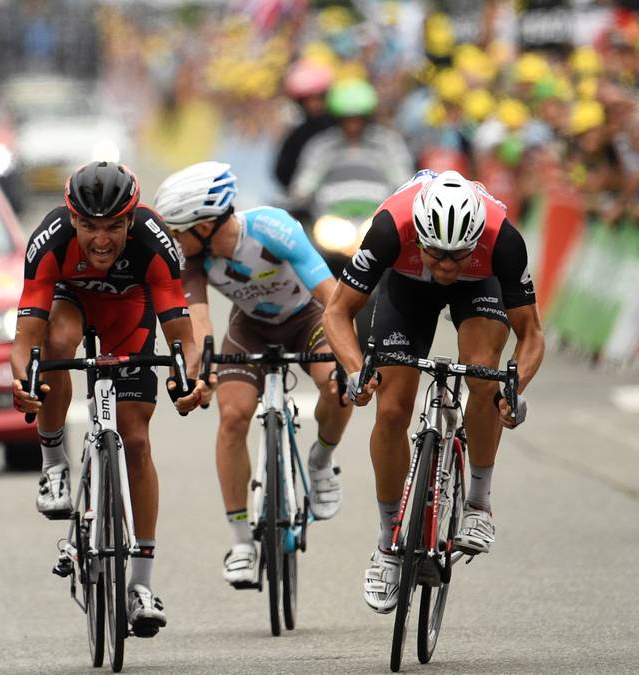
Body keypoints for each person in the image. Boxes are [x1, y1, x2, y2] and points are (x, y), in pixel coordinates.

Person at [321, 169, 544, 614]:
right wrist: (354, 371)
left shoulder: (502, 239)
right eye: (437, 253)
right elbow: (337, 312)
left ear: (476, 240)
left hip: (479, 289)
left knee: (484, 376)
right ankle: (388, 544)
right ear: (418, 235)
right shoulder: (389, 229)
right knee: (391, 410)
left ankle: (478, 502)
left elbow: (532, 334)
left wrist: (513, 387)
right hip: (407, 289)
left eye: (458, 255)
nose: (445, 266)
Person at [11, 161, 210, 637]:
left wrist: (189, 381)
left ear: (131, 220)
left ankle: (141, 585)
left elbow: (183, 339)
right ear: (72, 219)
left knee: (136, 441)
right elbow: (25, 340)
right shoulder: (50, 239)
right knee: (55, 346)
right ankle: (54, 465)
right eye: (89, 227)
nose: (101, 240)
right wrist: (24, 380)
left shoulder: (154, 239)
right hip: (70, 303)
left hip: (129, 311)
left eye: (114, 227)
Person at [153, 161, 353, 589]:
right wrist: (200, 376)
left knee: (337, 385)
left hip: (307, 318)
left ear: (204, 225)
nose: (173, 239)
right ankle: (241, 542)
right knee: (232, 417)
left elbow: (330, 296)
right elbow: (200, 326)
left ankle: (321, 459)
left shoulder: (271, 228)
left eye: (177, 230)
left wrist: (351, 358)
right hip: (250, 329)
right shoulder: (192, 258)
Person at [287, 78, 413, 214]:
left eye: (358, 119)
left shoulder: (387, 143)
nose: (353, 125)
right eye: (347, 119)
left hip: (377, 217)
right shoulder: (322, 146)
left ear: (367, 117)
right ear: (338, 119)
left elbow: (403, 181)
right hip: (330, 216)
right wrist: (298, 197)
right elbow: (305, 183)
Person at [274, 59, 335, 192]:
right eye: (308, 100)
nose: (313, 105)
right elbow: (283, 173)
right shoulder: (297, 136)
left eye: (318, 98)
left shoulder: (339, 128)